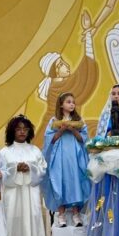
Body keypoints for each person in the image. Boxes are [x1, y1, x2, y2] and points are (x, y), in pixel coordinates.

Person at [0, 115, 48, 236]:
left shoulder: (35, 150)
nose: (21, 132)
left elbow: (42, 170)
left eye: (24, 129)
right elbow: (1, 172)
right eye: (18, 129)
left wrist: (31, 168)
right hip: (12, 194)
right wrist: (14, 169)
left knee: (31, 222)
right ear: (12, 131)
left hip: (30, 192)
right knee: (13, 224)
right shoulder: (5, 152)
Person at [42, 92, 91, 227]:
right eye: (68, 102)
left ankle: (76, 214)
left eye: (73, 102)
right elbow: (50, 140)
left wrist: (73, 130)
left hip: (74, 157)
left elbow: (84, 139)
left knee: (74, 180)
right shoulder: (54, 121)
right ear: (61, 104)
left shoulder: (79, 120)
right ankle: (61, 214)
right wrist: (62, 130)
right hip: (59, 156)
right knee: (60, 180)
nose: (72, 104)